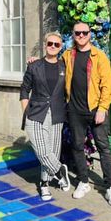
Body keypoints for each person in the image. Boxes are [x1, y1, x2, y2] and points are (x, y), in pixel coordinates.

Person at [63, 21, 111, 206]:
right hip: (75, 110)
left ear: (90, 34)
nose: (81, 36)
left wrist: (103, 108)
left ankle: (110, 187)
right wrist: (34, 62)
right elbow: (51, 61)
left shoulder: (99, 56)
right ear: (73, 34)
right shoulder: (68, 55)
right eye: (77, 33)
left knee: (104, 147)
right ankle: (84, 181)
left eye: (84, 32)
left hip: (96, 109)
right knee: (78, 146)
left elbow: (107, 85)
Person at [20, 32, 71, 201]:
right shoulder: (34, 66)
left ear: (61, 47)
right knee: (41, 150)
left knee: (52, 151)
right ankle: (59, 171)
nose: (53, 47)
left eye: (57, 44)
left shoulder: (65, 67)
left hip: (57, 114)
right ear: (45, 44)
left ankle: (44, 184)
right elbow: (24, 89)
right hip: (35, 113)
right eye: (50, 43)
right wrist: (26, 111)